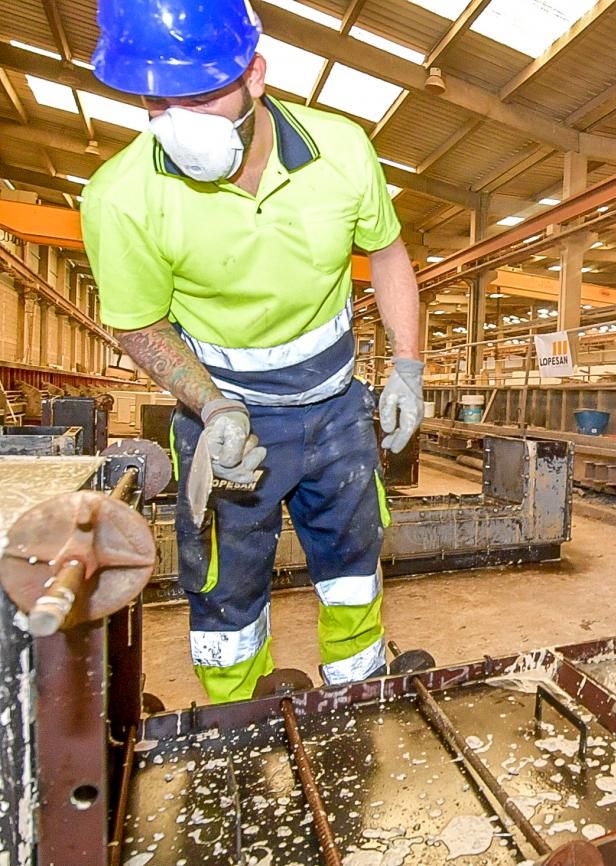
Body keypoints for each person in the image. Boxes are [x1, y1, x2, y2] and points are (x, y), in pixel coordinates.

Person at [82, 0, 426, 703]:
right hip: (228, 412)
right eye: (156, 97)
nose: (179, 122)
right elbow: (140, 324)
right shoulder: (119, 198)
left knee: (355, 564)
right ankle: (234, 725)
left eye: (202, 92)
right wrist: (212, 409)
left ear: (255, 74)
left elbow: (387, 251)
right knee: (224, 588)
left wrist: (409, 369)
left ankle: (356, 698)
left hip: (335, 409)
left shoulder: (342, 151)